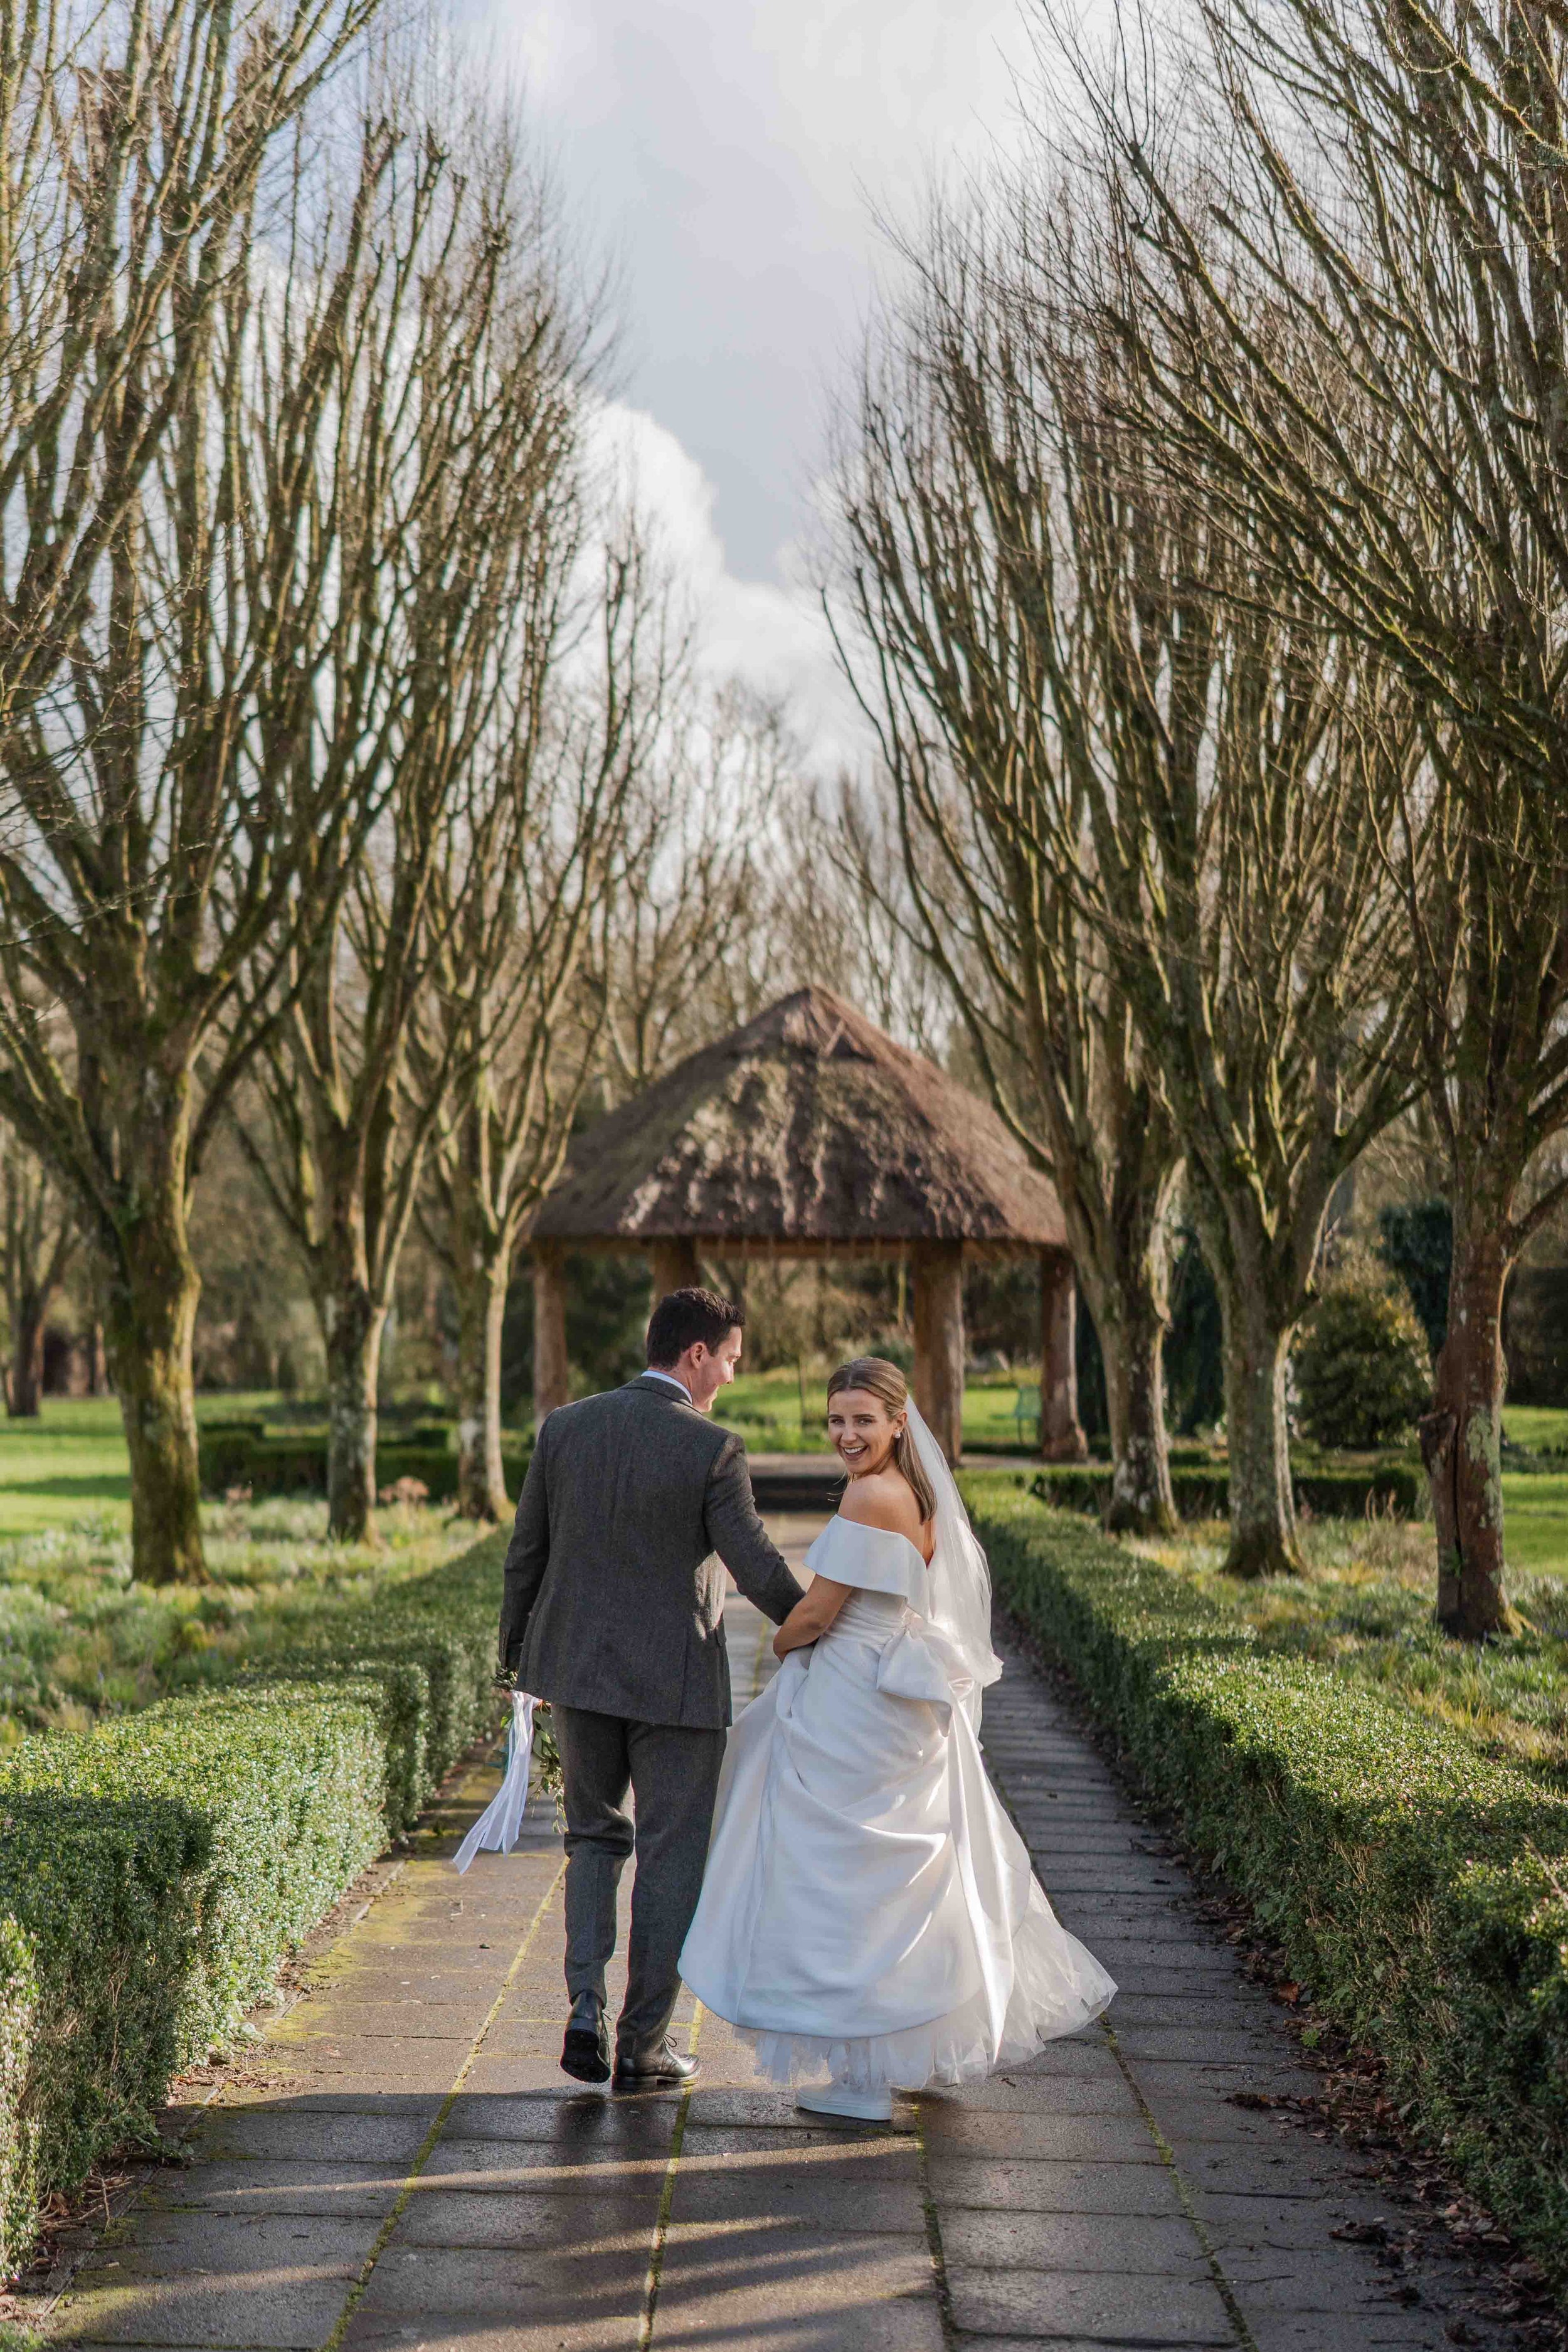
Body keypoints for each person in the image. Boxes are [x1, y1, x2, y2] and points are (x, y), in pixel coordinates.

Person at [679, 1355, 1116, 2122]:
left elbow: (816, 1614)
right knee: (898, 1881)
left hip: (853, 1693)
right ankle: (903, 2052)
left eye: (862, 1420)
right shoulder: (914, 1493)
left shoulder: (869, 1496)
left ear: (897, 1422)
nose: (847, 1435)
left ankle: (861, 2078)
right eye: (836, 1420)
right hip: (893, 1694)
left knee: (844, 1880)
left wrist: (780, 1650)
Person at [498, 1285, 804, 2091]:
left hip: (578, 1676)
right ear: (695, 1354)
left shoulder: (564, 1429)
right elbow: (755, 1563)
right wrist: (820, 1627)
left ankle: (584, 2008)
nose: (731, 1379)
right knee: (671, 1853)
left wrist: (516, 1662)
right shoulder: (712, 1448)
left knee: (593, 1839)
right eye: (730, 1361)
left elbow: (525, 1555)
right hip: (676, 1686)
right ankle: (643, 2045)